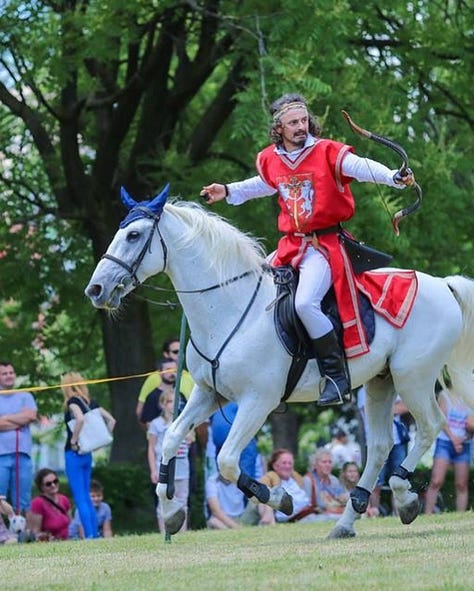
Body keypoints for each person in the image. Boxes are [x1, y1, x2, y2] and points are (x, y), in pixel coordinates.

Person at [201, 93, 416, 407]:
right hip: (291, 245)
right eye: (293, 123)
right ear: (279, 128)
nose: (301, 126)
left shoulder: (327, 151)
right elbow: (264, 183)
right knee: (253, 289)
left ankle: (336, 377)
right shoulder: (270, 159)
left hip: (324, 247)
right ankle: (263, 367)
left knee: (304, 304)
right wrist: (228, 190)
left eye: (303, 120)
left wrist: (393, 177)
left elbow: (361, 167)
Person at [62, 372, 116, 539]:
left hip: (74, 454)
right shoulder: (91, 402)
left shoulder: (72, 402)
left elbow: (79, 419)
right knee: (86, 495)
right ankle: (94, 534)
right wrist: (101, 437)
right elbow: (112, 421)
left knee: (81, 497)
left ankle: (90, 535)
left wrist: (74, 440)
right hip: (87, 454)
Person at [148, 389, 193, 533]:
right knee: (164, 500)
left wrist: (187, 431)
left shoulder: (183, 423)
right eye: (170, 401)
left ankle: (182, 532)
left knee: (182, 500)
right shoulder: (156, 424)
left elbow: (190, 440)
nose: (174, 405)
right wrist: (153, 470)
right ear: (163, 404)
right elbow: (151, 448)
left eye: (177, 401)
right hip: (164, 468)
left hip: (182, 468)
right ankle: (165, 531)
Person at [424, 386, 474, 514]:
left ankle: (460, 515)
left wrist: (464, 438)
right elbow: (442, 421)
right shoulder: (445, 394)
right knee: (436, 480)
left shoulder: (470, 396)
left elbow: (471, 424)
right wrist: (454, 439)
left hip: (464, 444)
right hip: (444, 442)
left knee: (462, 484)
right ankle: (428, 513)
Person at [0, 362, 37, 514]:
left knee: (22, 500)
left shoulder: (25, 396)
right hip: (1, 456)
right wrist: (19, 420)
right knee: (0, 498)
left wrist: (5, 418)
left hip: (22, 455)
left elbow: (31, 416)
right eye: (4, 373)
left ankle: (20, 529)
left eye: (11, 372)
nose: (9, 376)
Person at [244, 448, 317, 524]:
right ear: (275, 466)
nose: (287, 466)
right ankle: (267, 522)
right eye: (284, 463)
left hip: (309, 514)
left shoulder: (297, 479)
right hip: (294, 519)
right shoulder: (270, 479)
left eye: (290, 463)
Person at [136, 337, 194, 422]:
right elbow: (140, 411)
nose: (180, 355)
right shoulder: (154, 377)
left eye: (182, 351)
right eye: (175, 352)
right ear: (166, 354)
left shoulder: (191, 377)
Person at [303, 448, 349, 521]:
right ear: (315, 465)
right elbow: (306, 506)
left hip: (337, 513)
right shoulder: (308, 480)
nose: (328, 465)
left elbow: (343, 498)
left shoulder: (334, 480)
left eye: (330, 462)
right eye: (324, 462)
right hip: (318, 517)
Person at [139, 358, 186, 427]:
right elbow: (147, 423)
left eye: (174, 370)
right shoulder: (152, 396)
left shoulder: (180, 395)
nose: (172, 373)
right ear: (160, 372)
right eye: (168, 370)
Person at [28, 468, 71, 541]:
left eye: (55, 481)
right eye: (48, 484)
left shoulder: (64, 499)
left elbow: (70, 524)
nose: (53, 485)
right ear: (41, 487)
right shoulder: (37, 503)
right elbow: (35, 532)